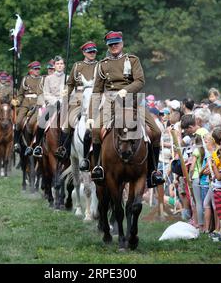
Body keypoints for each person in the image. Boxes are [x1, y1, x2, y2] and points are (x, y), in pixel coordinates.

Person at [86, 31, 163, 186]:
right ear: (108, 46)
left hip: (133, 101)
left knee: (156, 131)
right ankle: (98, 167)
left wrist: (126, 90)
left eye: (117, 43)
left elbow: (140, 81)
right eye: (111, 44)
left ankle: (153, 172)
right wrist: (90, 114)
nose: (114, 46)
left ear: (122, 43)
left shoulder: (133, 60)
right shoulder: (102, 65)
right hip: (111, 103)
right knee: (95, 130)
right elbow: (97, 91)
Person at [57, 41, 98, 164]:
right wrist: (66, 93)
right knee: (68, 121)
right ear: (84, 52)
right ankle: (63, 149)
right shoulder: (77, 66)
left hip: (96, 98)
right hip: (78, 99)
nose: (92, 53)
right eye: (89, 51)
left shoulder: (100, 65)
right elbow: (70, 84)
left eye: (94, 51)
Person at [35, 56, 66, 157]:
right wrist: (55, 101)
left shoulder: (68, 78)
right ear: (55, 66)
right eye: (57, 64)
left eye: (61, 63)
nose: (60, 65)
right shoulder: (48, 79)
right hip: (52, 105)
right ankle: (38, 146)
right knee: (42, 122)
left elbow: (72, 92)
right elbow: (46, 94)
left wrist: (63, 100)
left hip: (65, 106)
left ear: (64, 65)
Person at [13, 61, 44, 155]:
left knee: (31, 123)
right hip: (25, 104)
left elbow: (43, 94)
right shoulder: (25, 79)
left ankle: (31, 142)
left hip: (37, 104)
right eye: (35, 69)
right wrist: (17, 101)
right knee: (18, 122)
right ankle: (16, 143)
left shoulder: (42, 79)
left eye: (38, 69)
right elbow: (20, 94)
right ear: (30, 70)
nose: (37, 71)